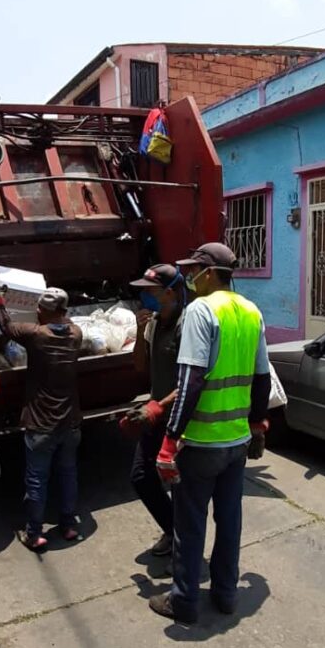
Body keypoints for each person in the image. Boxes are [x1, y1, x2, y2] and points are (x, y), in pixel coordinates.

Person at [149, 243, 271, 624]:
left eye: (193, 270)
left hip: (201, 443)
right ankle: (226, 594)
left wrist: (170, 441)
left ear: (208, 272)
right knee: (229, 521)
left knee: (189, 525)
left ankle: (184, 602)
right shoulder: (251, 311)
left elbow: (191, 380)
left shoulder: (202, 310)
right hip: (236, 442)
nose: (189, 277)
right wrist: (257, 425)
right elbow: (263, 377)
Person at [0, 280, 83, 552]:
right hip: (71, 423)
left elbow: (6, 325)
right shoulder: (76, 334)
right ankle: (68, 525)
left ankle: (34, 533)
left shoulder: (36, 335)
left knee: (36, 480)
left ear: (45, 311)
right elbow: (64, 325)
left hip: (41, 424)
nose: (38, 312)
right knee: (68, 475)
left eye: (40, 308)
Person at [124, 264, 185, 556]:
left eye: (151, 290)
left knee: (181, 487)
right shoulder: (154, 323)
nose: (146, 295)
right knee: (141, 476)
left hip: (179, 417)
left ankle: (183, 546)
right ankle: (173, 529)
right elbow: (139, 367)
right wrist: (139, 331)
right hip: (156, 411)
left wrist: (159, 407)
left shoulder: (187, 325)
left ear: (170, 292)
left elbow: (191, 381)